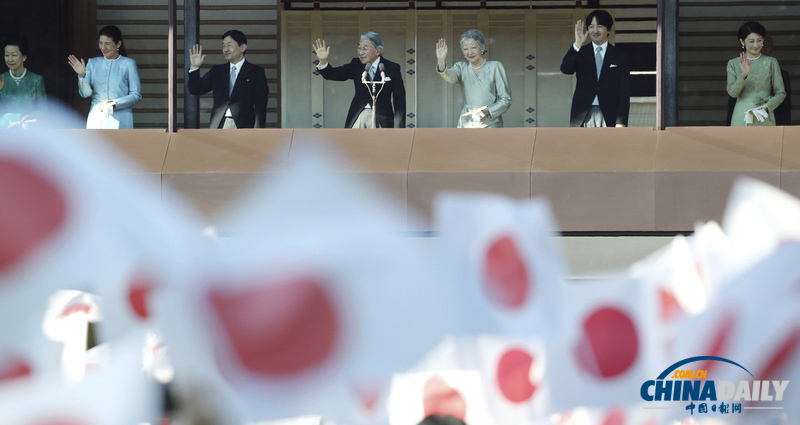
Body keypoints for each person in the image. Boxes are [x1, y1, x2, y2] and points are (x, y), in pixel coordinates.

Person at [313, 32, 406, 128]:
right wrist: (323, 61)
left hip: (382, 119)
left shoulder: (392, 68)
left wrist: (399, 128)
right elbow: (332, 74)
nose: (360, 52)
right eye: (359, 47)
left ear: (378, 51)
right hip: (358, 116)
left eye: (365, 48)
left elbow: (399, 100)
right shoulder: (356, 65)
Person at [560, 10, 630, 127]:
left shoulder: (619, 56)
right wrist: (578, 43)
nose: (595, 30)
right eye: (591, 27)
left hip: (609, 114)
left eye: (600, 26)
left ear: (608, 30)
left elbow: (624, 90)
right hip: (583, 114)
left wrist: (621, 121)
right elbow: (566, 69)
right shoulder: (581, 52)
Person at [187, 30, 269, 129]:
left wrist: (258, 131)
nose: (225, 49)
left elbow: (261, 106)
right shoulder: (217, 71)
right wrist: (194, 67)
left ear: (242, 47)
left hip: (245, 126)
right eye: (223, 46)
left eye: (229, 45)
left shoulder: (256, 72)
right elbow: (195, 89)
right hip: (219, 125)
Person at [67, 25, 141, 129]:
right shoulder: (93, 63)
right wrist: (82, 76)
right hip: (97, 119)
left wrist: (114, 104)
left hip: (121, 119)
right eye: (100, 43)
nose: (103, 47)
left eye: (107, 44)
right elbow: (86, 94)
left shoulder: (129, 64)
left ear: (118, 44)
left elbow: (136, 95)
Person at [435, 29, 511, 128]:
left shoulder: (495, 66)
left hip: (491, 122)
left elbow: (506, 99)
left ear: (482, 47)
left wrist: (487, 111)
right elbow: (450, 77)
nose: (470, 52)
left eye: (474, 47)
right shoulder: (461, 67)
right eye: (465, 49)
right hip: (467, 122)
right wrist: (441, 61)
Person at [727, 24, 787, 126]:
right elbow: (732, 93)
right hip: (741, 115)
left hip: (764, 115)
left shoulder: (771, 62)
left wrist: (766, 107)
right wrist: (744, 76)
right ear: (742, 42)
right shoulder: (733, 63)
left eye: (759, 40)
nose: (756, 45)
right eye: (751, 41)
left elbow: (781, 93)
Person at [0, 34, 47, 128]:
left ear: (24, 57)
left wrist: (28, 117)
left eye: (14, 55)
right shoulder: (1, 79)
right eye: (7, 55)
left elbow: (43, 110)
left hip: (28, 130)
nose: (10, 59)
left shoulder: (36, 80)